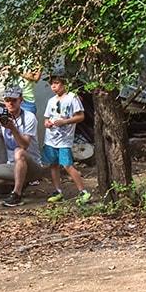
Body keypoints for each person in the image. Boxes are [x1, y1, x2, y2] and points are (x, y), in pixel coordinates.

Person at [0, 84, 45, 207]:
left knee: (19, 151)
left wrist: (12, 128)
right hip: (13, 165)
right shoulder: (3, 116)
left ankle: (17, 194)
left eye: (14, 100)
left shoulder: (29, 117)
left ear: (21, 100)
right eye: (7, 100)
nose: (10, 103)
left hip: (32, 165)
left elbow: (24, 145)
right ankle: (21, 182)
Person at [42, 73, 91, 203]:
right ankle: (58, 191)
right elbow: (46, 118)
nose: (53, 86)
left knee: (67, 165)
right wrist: (47, 123)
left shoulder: (72, 98)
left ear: (64, 84)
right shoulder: (51, 101)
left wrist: (65, 122)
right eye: (51, 84)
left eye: (56, 83)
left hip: (64, 139)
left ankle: (83, 191)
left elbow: (81, 116)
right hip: (50, 138)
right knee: (53, 164)